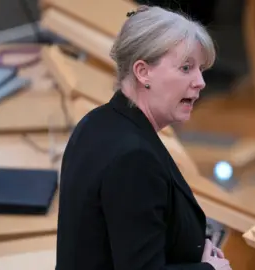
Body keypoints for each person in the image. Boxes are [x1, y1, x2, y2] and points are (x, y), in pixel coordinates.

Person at [55, 5, 232, 270]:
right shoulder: (133, 159)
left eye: (200, 70)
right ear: (143, 72)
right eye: (186, 68)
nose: (200, 82)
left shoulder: (95, 122)